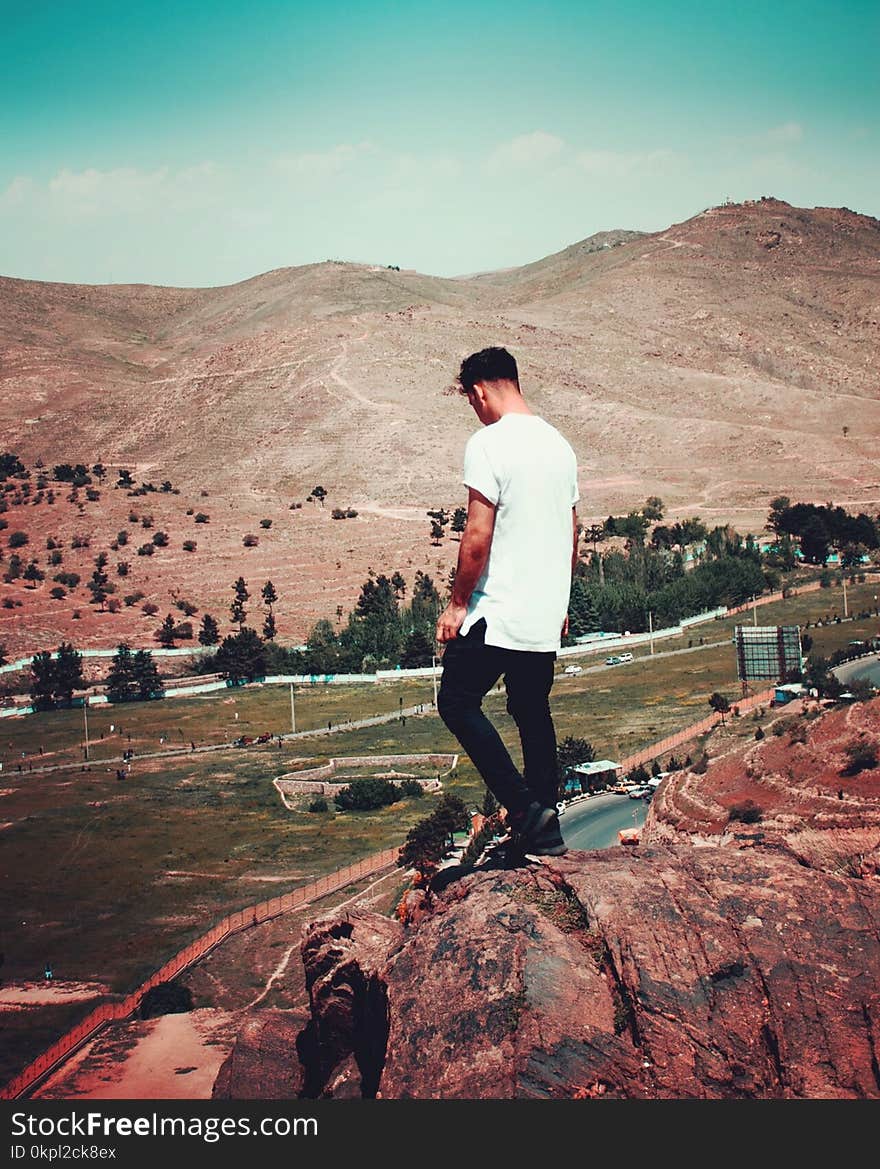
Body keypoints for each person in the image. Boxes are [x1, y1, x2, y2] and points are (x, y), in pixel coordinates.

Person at [436, 347, 579, 858]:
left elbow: (477, 534)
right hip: (543, 611)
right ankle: (545, 823)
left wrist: (457, 604)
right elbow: (572, 531)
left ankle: (523, 810)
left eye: (471, 401)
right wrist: (560, 602)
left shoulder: (488, 442)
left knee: (455, 701)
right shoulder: (560, 446)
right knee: (530, 708)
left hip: (497, 610)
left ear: (479, 391)